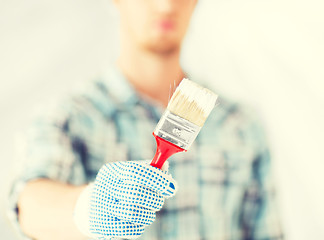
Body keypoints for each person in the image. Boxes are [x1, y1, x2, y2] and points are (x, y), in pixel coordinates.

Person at [8, 0, 284, 239]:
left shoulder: (240, 124)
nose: (166, 5)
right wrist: (88, 207)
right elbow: (30, 209)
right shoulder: (67, 117)